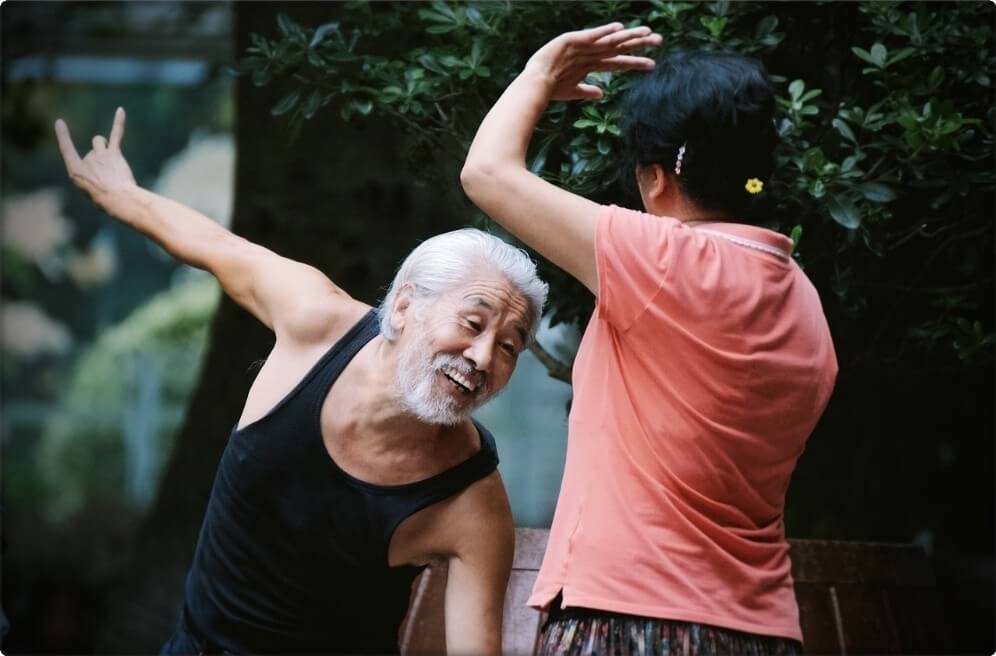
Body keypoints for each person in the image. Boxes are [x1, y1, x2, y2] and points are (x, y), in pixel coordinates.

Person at [55, 109, 549, 654]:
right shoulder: (316, 322)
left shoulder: (472, 502)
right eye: (472, 323)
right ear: (406, 305)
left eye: (509, 347)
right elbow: (217, 246)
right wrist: (121, 195)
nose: (482, 357)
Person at [461, 23, 837, 655]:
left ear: (657, 177)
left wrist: (539, 74)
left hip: (628, 618)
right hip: (761, 631)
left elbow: (487, 173)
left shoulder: (663, 260)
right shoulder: (804, 299)